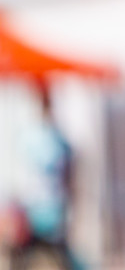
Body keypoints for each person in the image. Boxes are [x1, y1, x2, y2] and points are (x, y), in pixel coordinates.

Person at [14, 83, 74, 270]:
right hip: (38, 207)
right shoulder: (34, 136)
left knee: (54, 254)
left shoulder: (53, 138)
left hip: (49, 207)